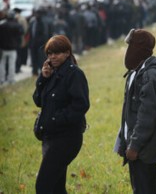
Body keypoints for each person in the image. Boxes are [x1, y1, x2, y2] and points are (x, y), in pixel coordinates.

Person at [114, 29, 156, 194]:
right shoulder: (137, 72)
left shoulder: (149, 77)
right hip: (139, 149)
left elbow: (147, 117)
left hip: (144, 151)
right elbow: (130, 113)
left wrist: (134, 146)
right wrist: (124, 141)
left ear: (138, 48)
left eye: (130, 46)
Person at [32, 35, 90, 193]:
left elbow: (81, 105)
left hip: (66, 138)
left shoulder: (74, 74)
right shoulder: (51, 73)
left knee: (43, 186)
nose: (52, 57)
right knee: (56, 187)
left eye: (56, 53)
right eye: (49, 53)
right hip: (49, 138)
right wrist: (43, 79)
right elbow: (38, 100)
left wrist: (55, 119)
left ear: (67, 53)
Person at [0, 10, 23, 86]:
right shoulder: (17, 25)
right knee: (12, 64)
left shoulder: (2, 24)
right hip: (12, 48)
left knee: (2, 64)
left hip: (3, 48)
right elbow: (21, 33)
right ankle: (11, 79)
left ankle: (2, 79)